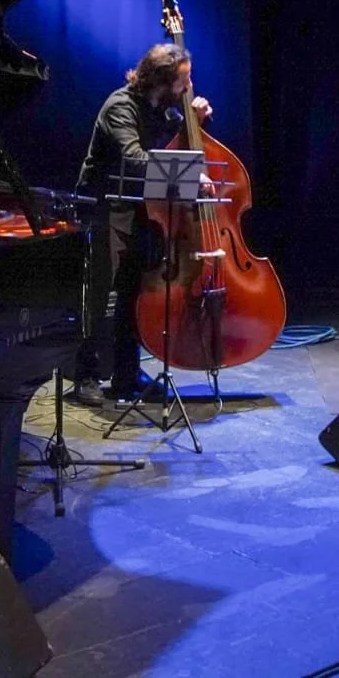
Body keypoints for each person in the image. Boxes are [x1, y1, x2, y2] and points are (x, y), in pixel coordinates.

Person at [71, 43, 212, 406]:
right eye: (184, 81)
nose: (189, 87)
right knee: (100, 296)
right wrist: (190, 175)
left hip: (136, 207)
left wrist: (196, 123)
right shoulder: (120, 106)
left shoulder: (161, 108)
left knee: (133, 291)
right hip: (102, 206)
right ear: (163, 82)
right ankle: (84, 374)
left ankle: (126, 373)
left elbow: (184, 143)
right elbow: (134, 158)